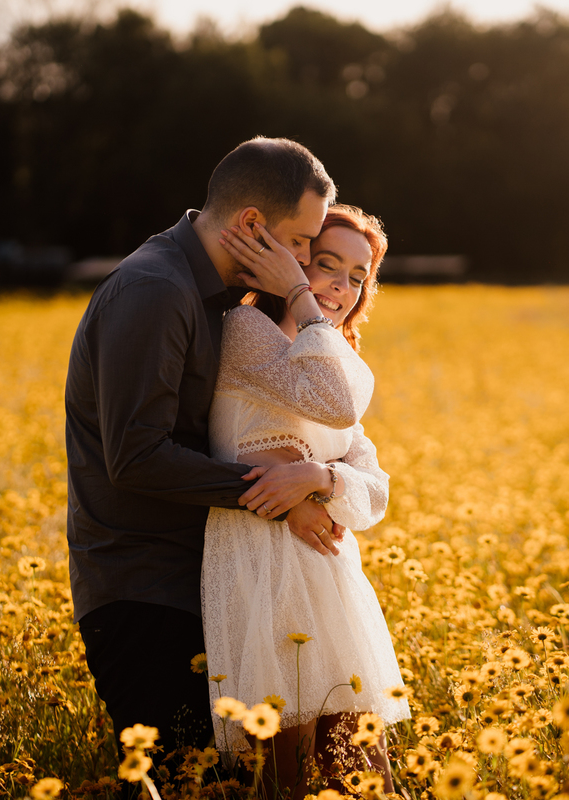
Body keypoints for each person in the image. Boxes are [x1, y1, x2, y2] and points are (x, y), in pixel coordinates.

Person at [64, 137, 350, 774]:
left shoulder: (218, 298)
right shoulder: (154, 289)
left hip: (200, 579)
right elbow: (136, 456)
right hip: (144, 589)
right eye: (300, 241)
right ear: (251, 223)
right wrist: (278, 497)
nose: (305, 261)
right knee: (178, 781)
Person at [202, 205, 410, 798]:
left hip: (329, 579)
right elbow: (336, 406)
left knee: (362, 776)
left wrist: (318, 476)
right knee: (283, 778)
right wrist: (298, 294)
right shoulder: (246, 330)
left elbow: (374, 494)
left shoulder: (330, 358)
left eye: (356, 277)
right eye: (325, 265)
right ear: (290, 260)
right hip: (263, 568)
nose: (340, 287)